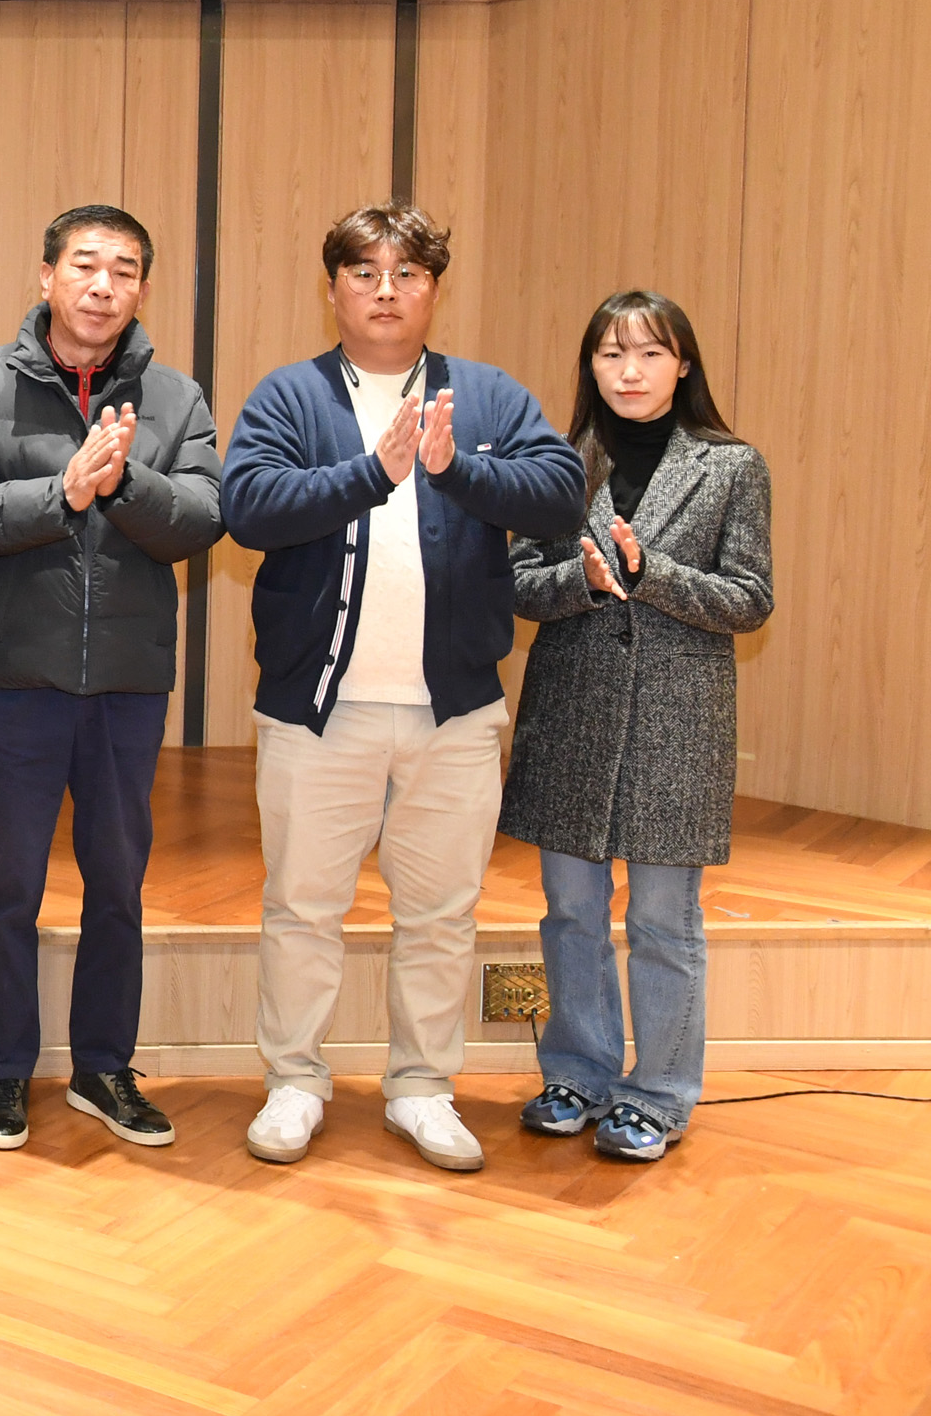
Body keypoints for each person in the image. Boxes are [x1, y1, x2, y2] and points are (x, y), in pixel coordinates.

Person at [220, 203, 582, 1173]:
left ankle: (423, 1085)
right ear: (333, 285)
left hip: (453, 711)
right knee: (302, 906)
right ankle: (294, 1078)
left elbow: (558, 493)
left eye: (409, 272)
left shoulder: (490, 395)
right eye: (367, 271)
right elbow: (247, 506)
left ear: (434, 288)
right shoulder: (292, 396)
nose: (387, 290)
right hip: (317, 710)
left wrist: (456, 469)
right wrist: (368, 473)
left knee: (439, 912)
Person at [0, 205, 224, 1156]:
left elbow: (203, 519)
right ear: (47, 274)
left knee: (119, 886)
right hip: (16, 677)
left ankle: (104, 1067)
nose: (103, 285)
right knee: (7, 886)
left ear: (142, 288)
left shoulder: (174, 399)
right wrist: (64, 492)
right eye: (86, 265)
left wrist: (124, 480)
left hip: (129, 685)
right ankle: (5, 1072)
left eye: (125, 270)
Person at [501, 291, 772, 1163]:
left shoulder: (732, 467)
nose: (630, 372)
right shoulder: (555, 462)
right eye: (612, 355)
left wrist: (651, 572)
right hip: (572, 710)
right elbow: (516, 584)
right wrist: (582, 582)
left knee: (663, 918)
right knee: (570, 911)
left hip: (676, 721)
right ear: (590, 367)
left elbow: (751, 600)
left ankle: (657, 1093)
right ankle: (578, 1071)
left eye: (651, 354)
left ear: (683, 364)